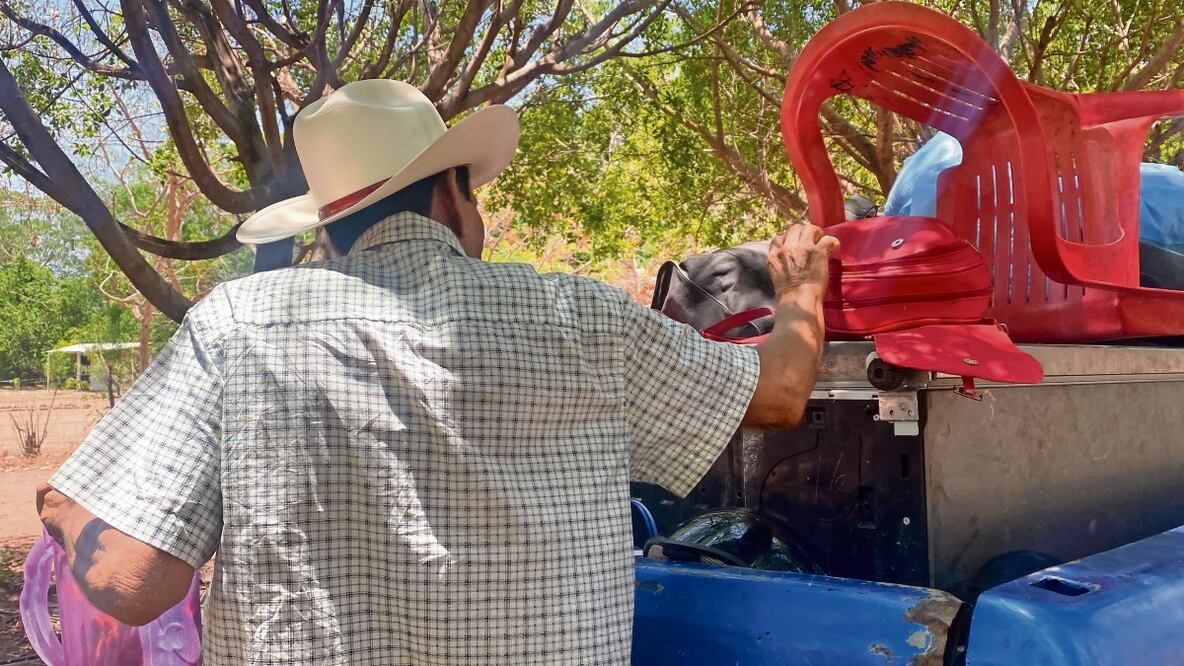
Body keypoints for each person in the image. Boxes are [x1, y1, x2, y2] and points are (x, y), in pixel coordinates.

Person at [37, 80, 839, 665]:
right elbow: (777, 394)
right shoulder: (584, 319)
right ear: (454, 197)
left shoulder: (241, 324)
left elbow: (132, 579)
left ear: (330, 229)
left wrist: (67, 513)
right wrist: (801, 288)